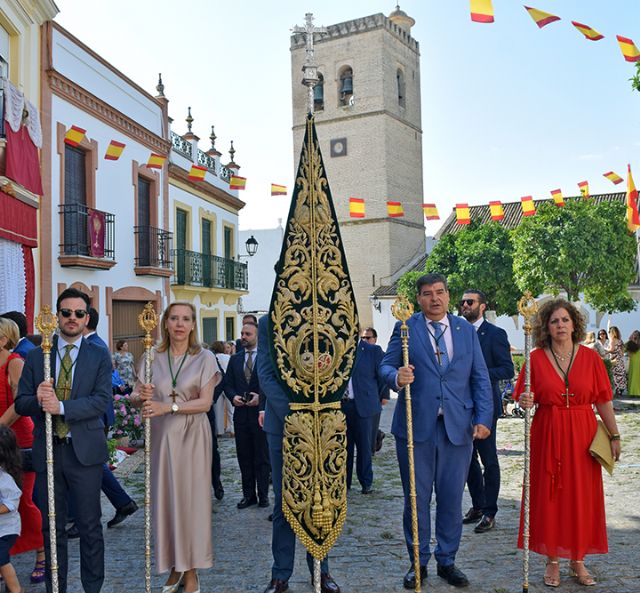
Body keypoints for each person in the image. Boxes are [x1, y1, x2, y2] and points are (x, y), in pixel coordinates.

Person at [380, 273, 493, 589]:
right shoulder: (405, 328)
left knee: (451, 498)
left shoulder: (465, 331)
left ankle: (447, 560)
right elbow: (386, 365)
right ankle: (418, 562)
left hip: (458, 429)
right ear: (419, 298)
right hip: (416, 429)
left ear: (448, 295)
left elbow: (480, 378)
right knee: (415, 499)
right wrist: (396, 377)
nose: (434, 298)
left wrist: (484, 417)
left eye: (440, 292)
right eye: (427, 293)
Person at [516, 299, 621, 588]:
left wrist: (614, 435)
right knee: (549, 495)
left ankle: (577, 559)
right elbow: (525, 399)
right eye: (554, 321)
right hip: (548, 431)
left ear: (574, 324)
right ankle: (552, 561)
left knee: (581, 497)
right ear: (546, 327)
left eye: (565, 320)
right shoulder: (534, 358)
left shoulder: (591, 359)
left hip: (583, 434)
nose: (560, 325)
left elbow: (603, 400)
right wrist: (526, 401)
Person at [15, 287, 112, 593]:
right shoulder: (37, 354)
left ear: (87, 318)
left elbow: (101, 401)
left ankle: (92, 588)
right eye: (66, 313)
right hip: (48, 452)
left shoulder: (99, 354)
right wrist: (40, 401)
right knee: (51, 527)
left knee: (89, 526)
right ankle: (56, 588)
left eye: (78, 313)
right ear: (57, 316)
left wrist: (62, 407)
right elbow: (22, 403)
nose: (72, 318)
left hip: (84, 452)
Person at [133, 301, 219, 593]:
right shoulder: (150, 356)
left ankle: (192, 569)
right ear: (165, 323)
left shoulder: (204, 357)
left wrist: (167, 406)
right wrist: (140, 396)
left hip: (193, 436)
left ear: (193, 325)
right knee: (165, 501)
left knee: (191, 503)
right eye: (174, 318)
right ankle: (173, 565)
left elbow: (205, 403)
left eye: (185, 319)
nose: (180, 324)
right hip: (161, 438)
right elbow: (137, 395)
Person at [257, 315, 341, 593]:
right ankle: (280, 573)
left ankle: (322, 569)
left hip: (323, 426)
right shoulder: (268, 321)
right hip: (283, 424)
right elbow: (267, 374)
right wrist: (297, 414)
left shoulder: (325, 315)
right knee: (285, 501)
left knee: (321, 501)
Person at [459, 289, 514, 534]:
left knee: (488, 459)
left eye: (470, 302)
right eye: (462, 302)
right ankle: (478, 505)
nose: (464, 305)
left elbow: (506, 369)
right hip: (459, 405)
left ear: (482, 306)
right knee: (467, 459)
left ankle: (490, 511)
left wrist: (479, 374)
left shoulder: (495, 334)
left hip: (484, 405)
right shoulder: (456, 331)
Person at [0, 318, 45, 584]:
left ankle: (42, 551)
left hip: (18, 441)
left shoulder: (15, 362)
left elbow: (20, 403)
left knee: (22, 501)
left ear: (4, 339)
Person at [224, 322, 270, 509]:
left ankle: (264, 496)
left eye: (248, 334)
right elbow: (227, 384)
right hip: (241, 415)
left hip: (260, 415)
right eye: (242, 333)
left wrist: (261, 398)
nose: (243, 336)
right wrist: (233, 396)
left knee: (262, 456)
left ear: (257, 336)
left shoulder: (266, 358)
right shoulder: (235, 359)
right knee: (244, 457)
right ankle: (248, 495)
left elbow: (270, 383)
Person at [342, 332, 387, 494]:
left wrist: (375, 396)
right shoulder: (337, 351)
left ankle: (366, 482)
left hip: (365, 406)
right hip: (343, 406)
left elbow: (382, 378)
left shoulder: (372, 351)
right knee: (343, 447)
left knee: (365, 447)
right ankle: (343, 483)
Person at [0, 425, 25, 593]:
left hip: (6, 529)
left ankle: (16, 590)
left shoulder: (4, 478)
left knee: (1, 559)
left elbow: (11, 504)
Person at [360, 328, 389, 455]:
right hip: (362, 398)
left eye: (368, 338)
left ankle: (375, 439)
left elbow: (384, 377)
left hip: (374, 397)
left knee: (371, 427)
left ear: (375, 339)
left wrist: (383, 395)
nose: (365, 340)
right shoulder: (359, 354)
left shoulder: (379, 353)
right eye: (363, 338)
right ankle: (378, 434)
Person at [210, 341, 233, 436]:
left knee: (218, 409)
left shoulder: (213, 358)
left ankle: (219, 431)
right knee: (231, 409)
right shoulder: (228, 358)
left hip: (218, 384)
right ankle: (232, 429)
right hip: (228, 383)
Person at [606, 326, 626, 396]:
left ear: (612, 332)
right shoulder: (620, 340)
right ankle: (620, 390)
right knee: (620, 375)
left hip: (614, 360)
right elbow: (622, 352)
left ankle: (616, 390)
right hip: (620, 360)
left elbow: (611, 350)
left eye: (609, 332)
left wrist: (605, 350)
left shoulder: (613, 340)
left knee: (614, 375)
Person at [625, 330, 640, 397]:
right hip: (633, 362)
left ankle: (635, 393)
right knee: (633, 376)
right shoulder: (630, 343)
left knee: (636, 376)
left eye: (636, 334)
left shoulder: (632, 343)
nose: (634, 335)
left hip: (636, 361)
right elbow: (625, 350)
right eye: (634, 334)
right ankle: (633, 393)